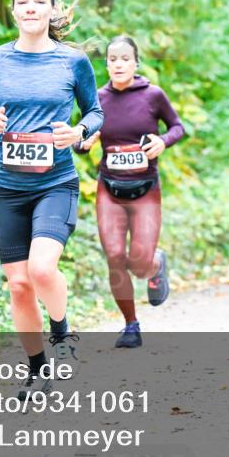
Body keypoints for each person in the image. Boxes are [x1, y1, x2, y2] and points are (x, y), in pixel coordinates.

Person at [0, 0, 103, 399]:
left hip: (56, 183)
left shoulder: (72, 61)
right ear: (12, 10)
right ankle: (38, 370)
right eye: (23, 1)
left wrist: (78, 132)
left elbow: (95, 112)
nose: (30, 8)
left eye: (39, 1)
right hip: (9, 188)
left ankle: (62, 333)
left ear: (51, 8)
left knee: (41, 270)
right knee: (19, 285)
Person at [75, 35, 185, 349]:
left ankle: (155, 264)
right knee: (114, 256)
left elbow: (178, 127)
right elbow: (79, 139)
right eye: (113, 59)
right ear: (107, 64)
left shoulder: (153, 95)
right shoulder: (97, 99)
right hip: (109, 189)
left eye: (125, 59)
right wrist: (84, 142)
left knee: (138, 263)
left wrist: (163, 141)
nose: (119, 64)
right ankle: (130, 324)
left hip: (145, 189)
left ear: (136, 63)